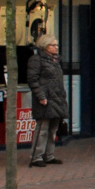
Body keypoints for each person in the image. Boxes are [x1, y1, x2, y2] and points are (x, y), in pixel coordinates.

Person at [27, 34, 69, 168]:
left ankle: (49, 155)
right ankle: (36, 156)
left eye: (56, 45)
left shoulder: (55, 61)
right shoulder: (36, 60)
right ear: (45, 46)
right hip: (45, 99)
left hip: (57, 98)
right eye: (53, 45)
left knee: (53, 130)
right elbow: (32, 80)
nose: (56, 47)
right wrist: (41, 96)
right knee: (42, 129)